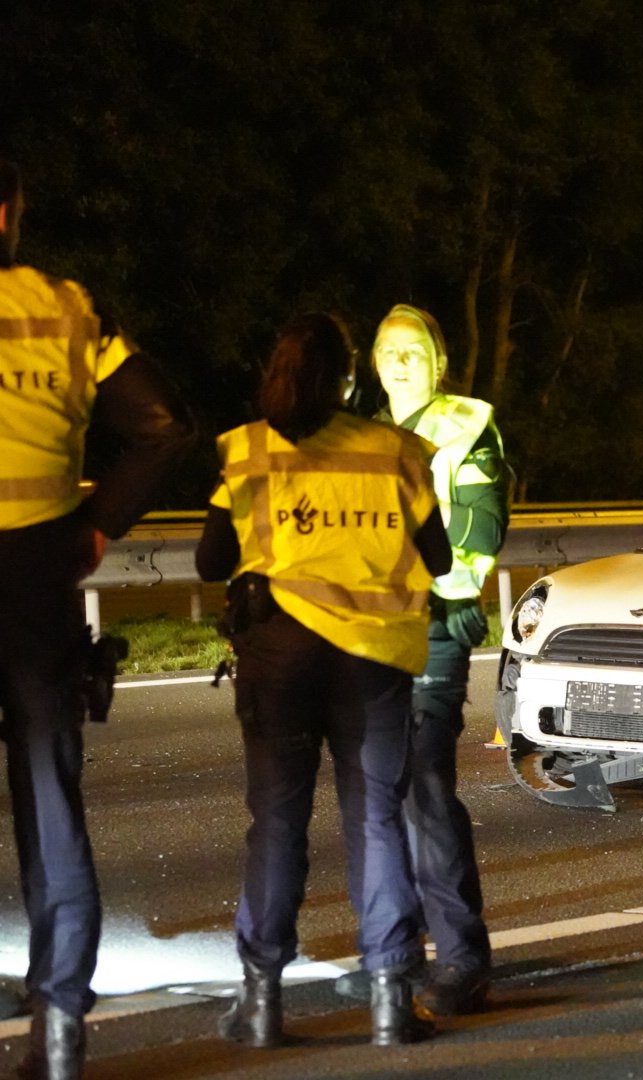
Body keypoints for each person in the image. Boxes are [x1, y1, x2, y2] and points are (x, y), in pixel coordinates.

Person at [196, 312, 451, 1048]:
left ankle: (262, 1005)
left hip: (279, 658)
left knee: (277, 823)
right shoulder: (395, 451)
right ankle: (390, 1004)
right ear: (348, 378)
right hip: (371, 661)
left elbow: (213, 561)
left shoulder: (246, 450)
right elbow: (435, 556)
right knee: (375, 819)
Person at [0, 157, 196, 1079]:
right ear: (9, 214)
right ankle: (63, 1021)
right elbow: (164, 425)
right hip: (40, 571)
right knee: (49, 797)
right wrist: (94, 528)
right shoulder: (71, 310)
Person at [333, 303, 506, 1015]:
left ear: (439, 363)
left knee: (426, 786)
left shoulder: (467, 426)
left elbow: (479, 529)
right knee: (376, 797)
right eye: (388, 350)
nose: (401, 361)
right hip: (368, 633)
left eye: (415, 350)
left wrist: (428, 583)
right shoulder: (357, 435)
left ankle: (462, 958)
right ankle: (395, 954)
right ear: (373, 364)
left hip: (433, 625)